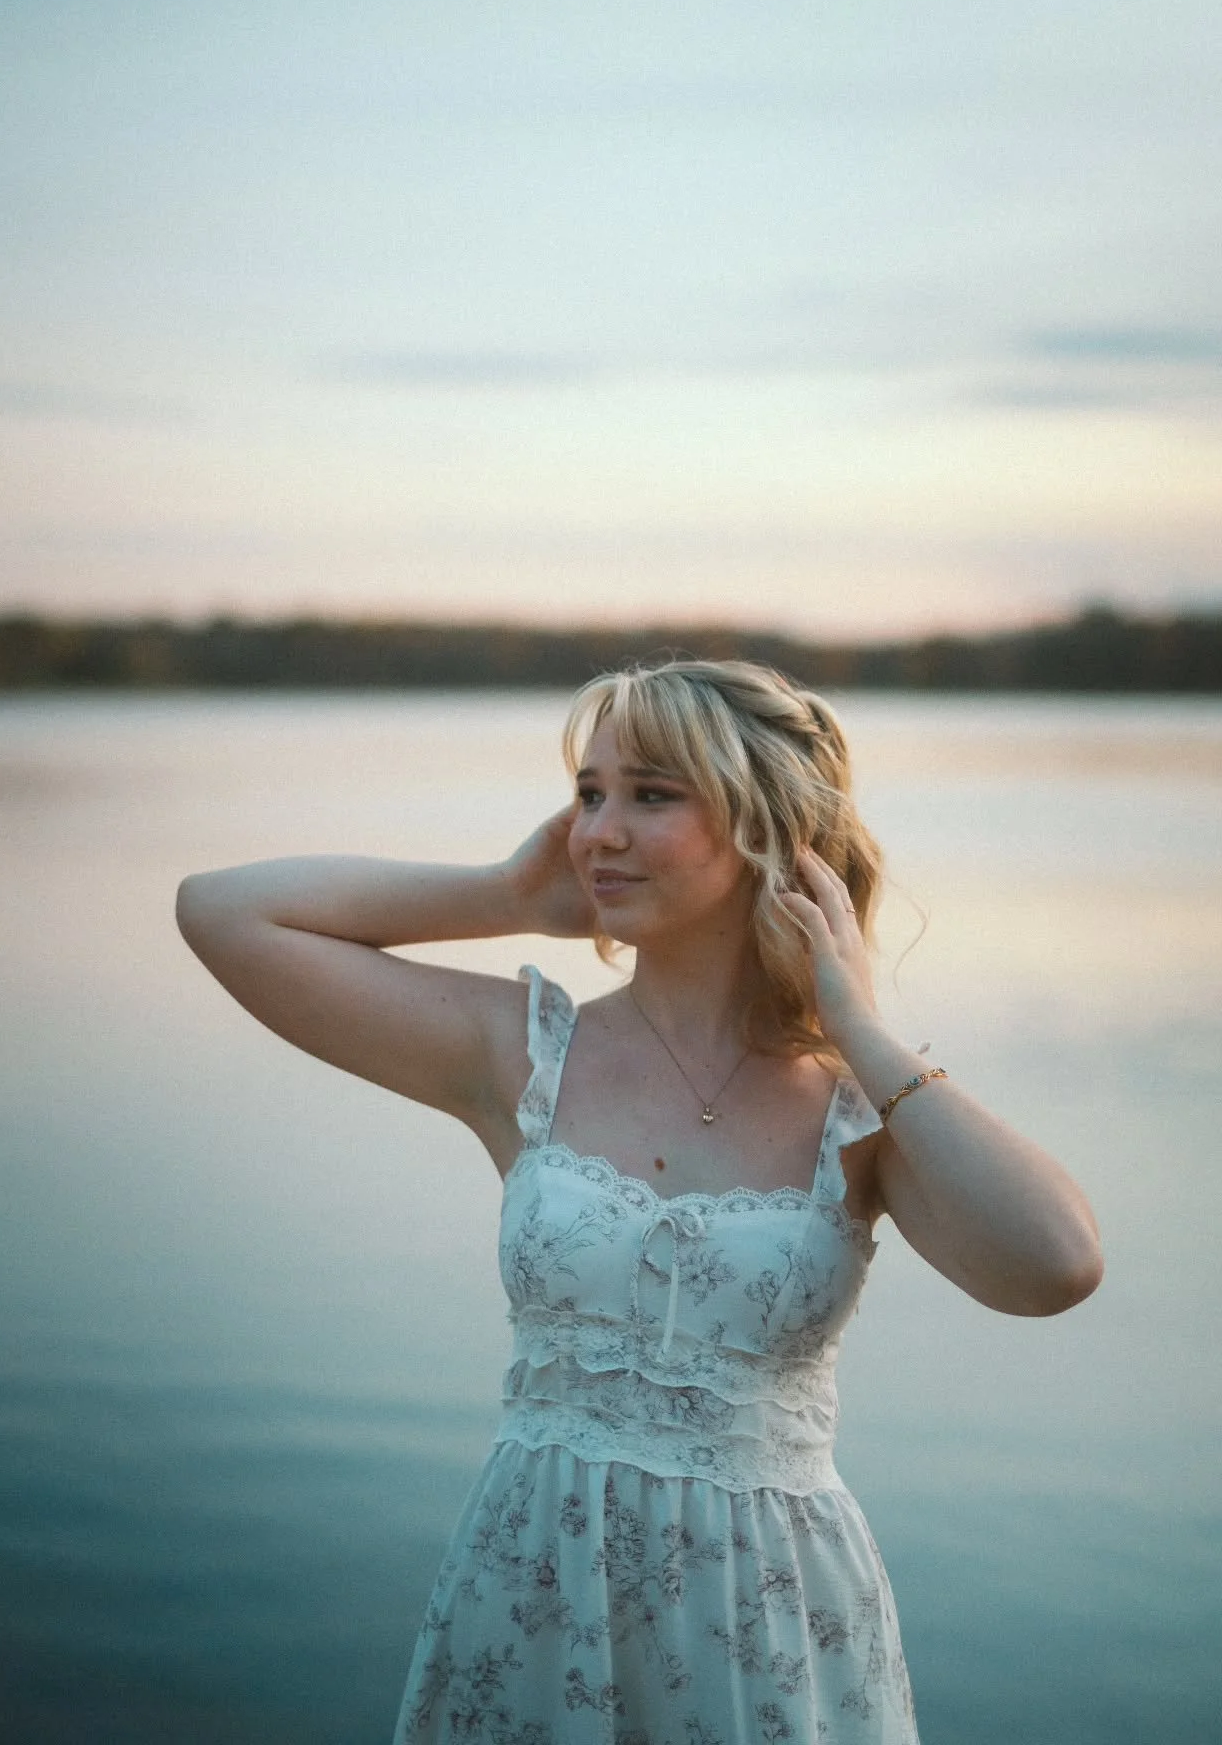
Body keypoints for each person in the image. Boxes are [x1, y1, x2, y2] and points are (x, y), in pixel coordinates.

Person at [176, 658, 1104, 1744]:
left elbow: (1056, 1264)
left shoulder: (863, 1110)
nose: (599, 831)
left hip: (767, 1618)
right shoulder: (524, 1056)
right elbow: (224, 913)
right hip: (534, 1591)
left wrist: (859, 1027)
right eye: (589, 793)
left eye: (651, 795)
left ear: (770, 830)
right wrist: (508, 896)